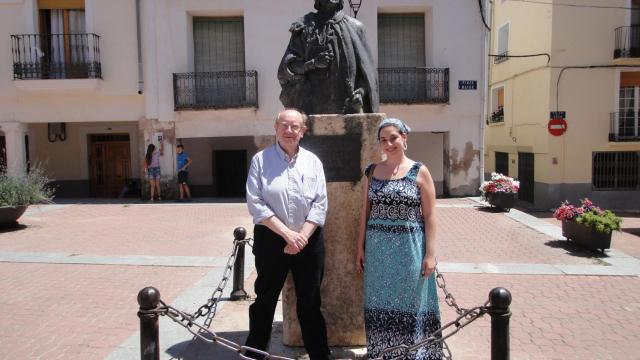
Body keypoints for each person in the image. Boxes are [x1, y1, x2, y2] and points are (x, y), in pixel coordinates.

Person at [245, 109, 330, 360]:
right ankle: (255, 353)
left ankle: (319, 355)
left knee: (310, 302)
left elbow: (320, 202)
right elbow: (256, 202)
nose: (289, 130)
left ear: (303, 131)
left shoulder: (313, 161)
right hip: (272, 238)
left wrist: (301, 235)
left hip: (309, 239)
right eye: (284, 125)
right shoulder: (260, 160)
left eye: (295, 126)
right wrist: (287, 234)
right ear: (276, 127)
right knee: (265, 299)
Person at [356, 118, 442, 360]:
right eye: (383, 140)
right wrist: (359, 247)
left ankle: (413, 354)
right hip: (377, 251)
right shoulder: (371, 171)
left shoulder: (420, 171)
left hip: (409, 250)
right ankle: (383, 353)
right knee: (378, 301)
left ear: (404, 138)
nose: (389, 144)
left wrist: (430, 254)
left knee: (410, 302)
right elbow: (365, 212)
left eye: (393, 138)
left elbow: (431, 216)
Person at [278, 0, 379, 114]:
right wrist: (313, 63)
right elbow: (288, 68)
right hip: (311, 112)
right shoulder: (304, 27)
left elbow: (367, 74)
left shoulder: (356, 27)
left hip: (348, 112)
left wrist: (360, 92)